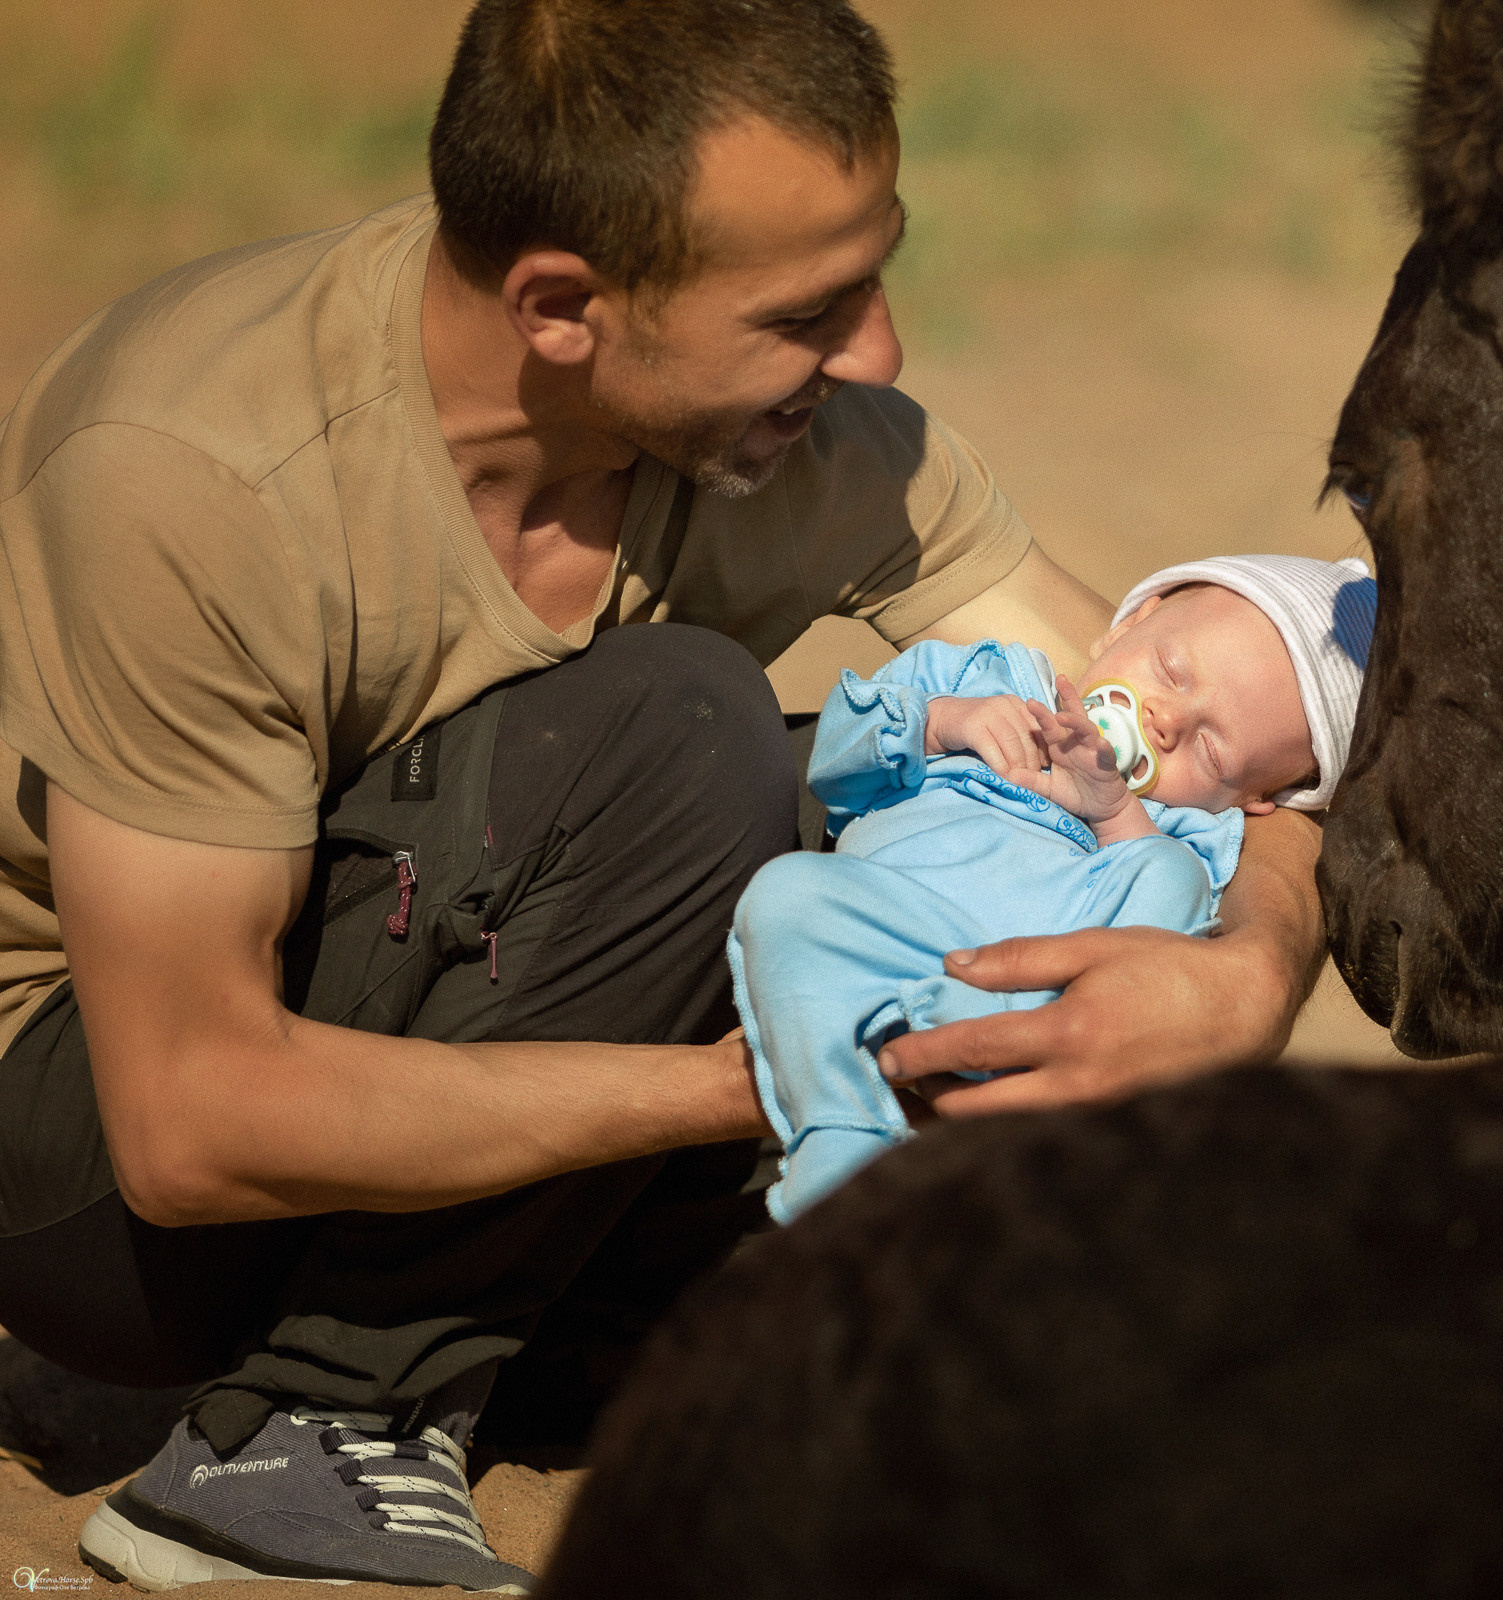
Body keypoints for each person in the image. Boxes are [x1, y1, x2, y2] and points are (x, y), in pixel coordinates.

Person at [0, 0, 1326, 1590]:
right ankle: (309, 1433)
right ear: (563, 306)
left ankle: (595, 1342)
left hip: (448, 1036)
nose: (880, 353)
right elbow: (188, 1128)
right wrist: (777, 1071)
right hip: (105, 1184)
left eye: (880, 268)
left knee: (960, 809)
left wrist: (1247, 966)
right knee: (708, 737)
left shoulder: (831, 444)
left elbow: (1180, 764)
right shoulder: (196, 474)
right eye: (808, 312)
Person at [736, 556, 1376, 1221]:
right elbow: (834, 764)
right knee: (787, 892)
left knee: (1171, 874)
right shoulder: (977, 675)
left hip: (1030, 991)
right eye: (1173, 672)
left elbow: (1161, 940)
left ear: (1257, 798)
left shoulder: (1189, 826)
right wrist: (944, 723)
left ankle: (979, 1058)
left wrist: (1115, 814)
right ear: (1129, 623)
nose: (1166, 721)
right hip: (881, 918)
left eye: (1211, 751)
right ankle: (839, 1130)